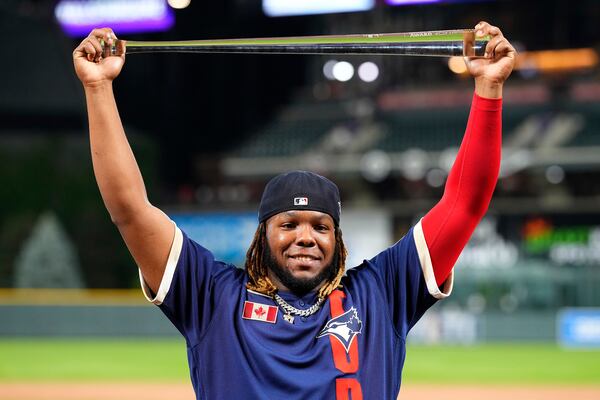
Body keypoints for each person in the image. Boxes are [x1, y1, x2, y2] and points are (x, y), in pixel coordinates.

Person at [73, 21, 515, 400]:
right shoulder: (210, 296)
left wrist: (488, 88)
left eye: (321, 226)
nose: (306, 236)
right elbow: (129, 210)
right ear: (262, 235)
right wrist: (98, 88)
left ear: (337, 239)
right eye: (289, 224)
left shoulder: (382, 293)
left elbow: (464, 204)